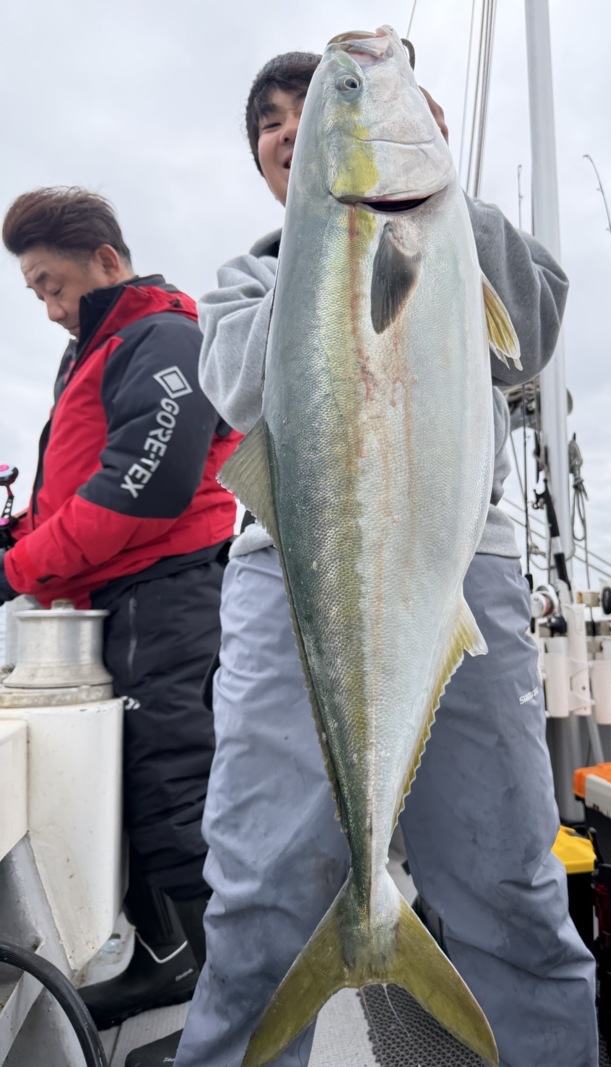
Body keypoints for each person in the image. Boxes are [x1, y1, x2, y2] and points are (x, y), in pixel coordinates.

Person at [162, 46, 598, 1067]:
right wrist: (337, 249)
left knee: (508, 880)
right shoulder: (244, 281)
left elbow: (527, 327)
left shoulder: (458, 236)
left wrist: (440, 203)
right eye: (272, 120)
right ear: (279, 160)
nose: (288, 123)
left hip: (462, 567)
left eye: (315, 101)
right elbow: (239, 388)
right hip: (296, 572)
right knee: (264, 888)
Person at [0, 187, 241, 1036]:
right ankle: (166, 958)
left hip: (166, 594)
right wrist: (18, 537)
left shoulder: (162, 334)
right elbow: (70, 485)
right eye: (35, 293)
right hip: (111, 598)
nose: (51, 308)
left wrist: (18, 567)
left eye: (53, 285)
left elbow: (147, 485)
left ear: (106, 261)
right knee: (132, 791)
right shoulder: (95, 351)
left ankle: (240, 995)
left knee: (172, 790)